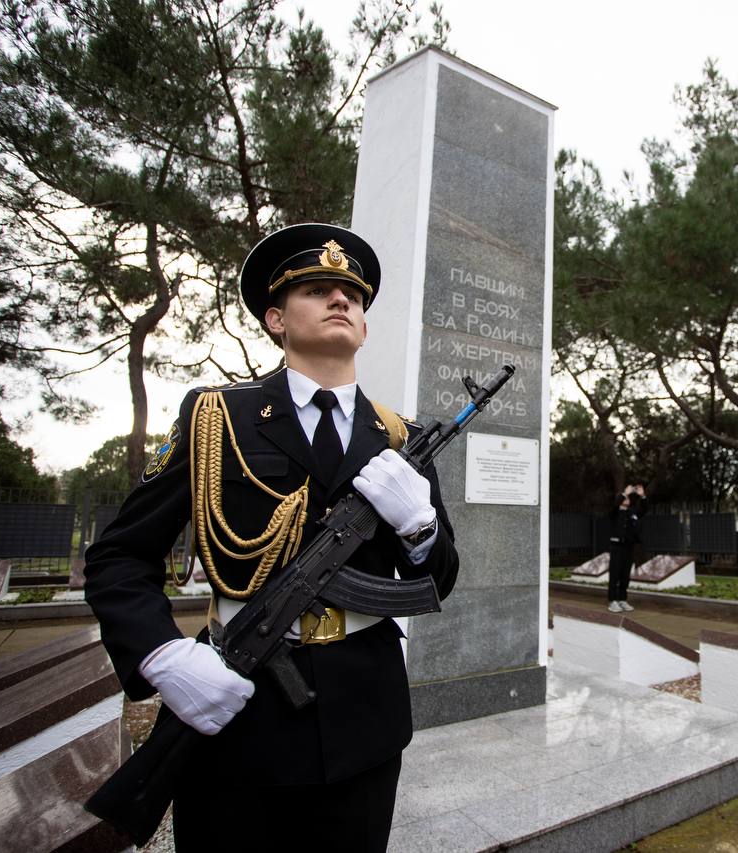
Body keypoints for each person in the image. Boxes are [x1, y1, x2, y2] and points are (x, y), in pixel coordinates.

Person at [84, 223, 459, 850]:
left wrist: (420, 528)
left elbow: (438, 580)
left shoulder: (401, 439)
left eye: (352, 296)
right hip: (238, 708)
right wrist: (161, 656)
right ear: (276, 320)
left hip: (365, 718)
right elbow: (120, 556)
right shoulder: (215, 418)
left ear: (364, 327)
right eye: (316, 290)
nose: (340, 300)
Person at [607, 483, 644, 612]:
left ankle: (622, 599)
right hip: (617, 547)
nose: (628, 499)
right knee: (615, 574)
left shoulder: (632, 512)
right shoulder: (614, 512)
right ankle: (612, 601)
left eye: (628, 497)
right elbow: (615, 505)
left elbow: (644, 509)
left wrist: (642, 496)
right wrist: (625, 493)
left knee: (625, 575)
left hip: (629, 547)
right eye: (625, 498)